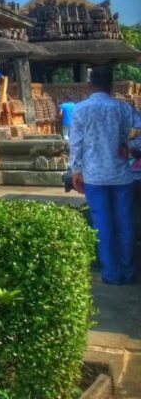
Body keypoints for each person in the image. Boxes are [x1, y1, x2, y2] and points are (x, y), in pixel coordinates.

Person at [69, 65, 141, 285]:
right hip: (121, 175)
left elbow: (76, 144)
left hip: (94, 176)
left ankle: (110, 273)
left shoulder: (81, 109)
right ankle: (128, 272)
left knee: (103, 225)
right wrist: (131, 146)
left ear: (90, 85)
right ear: (111, 85)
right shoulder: (122, 108)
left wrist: (76, 172)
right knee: (125, 223)